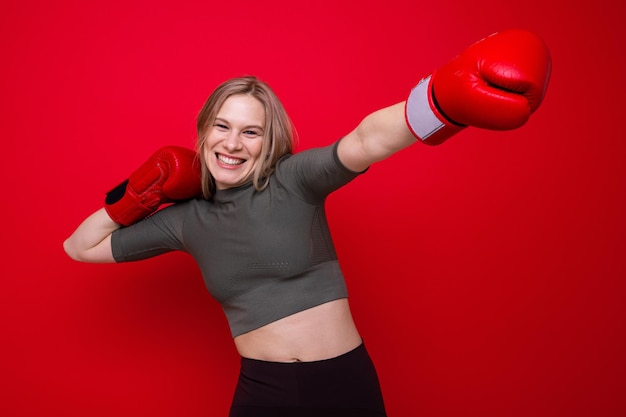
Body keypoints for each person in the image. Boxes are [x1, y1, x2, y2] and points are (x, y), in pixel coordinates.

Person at [63, 29, 551, 417]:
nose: (233, 143)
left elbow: (363, 142)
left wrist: (439, 102)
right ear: (203, 132)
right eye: (222, 127)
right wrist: (135, 195)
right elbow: (79, 247)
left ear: (267, 140)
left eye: (250, 131)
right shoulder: (185, 221)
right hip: (263, 390)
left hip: (345, 383)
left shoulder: (292, 181)